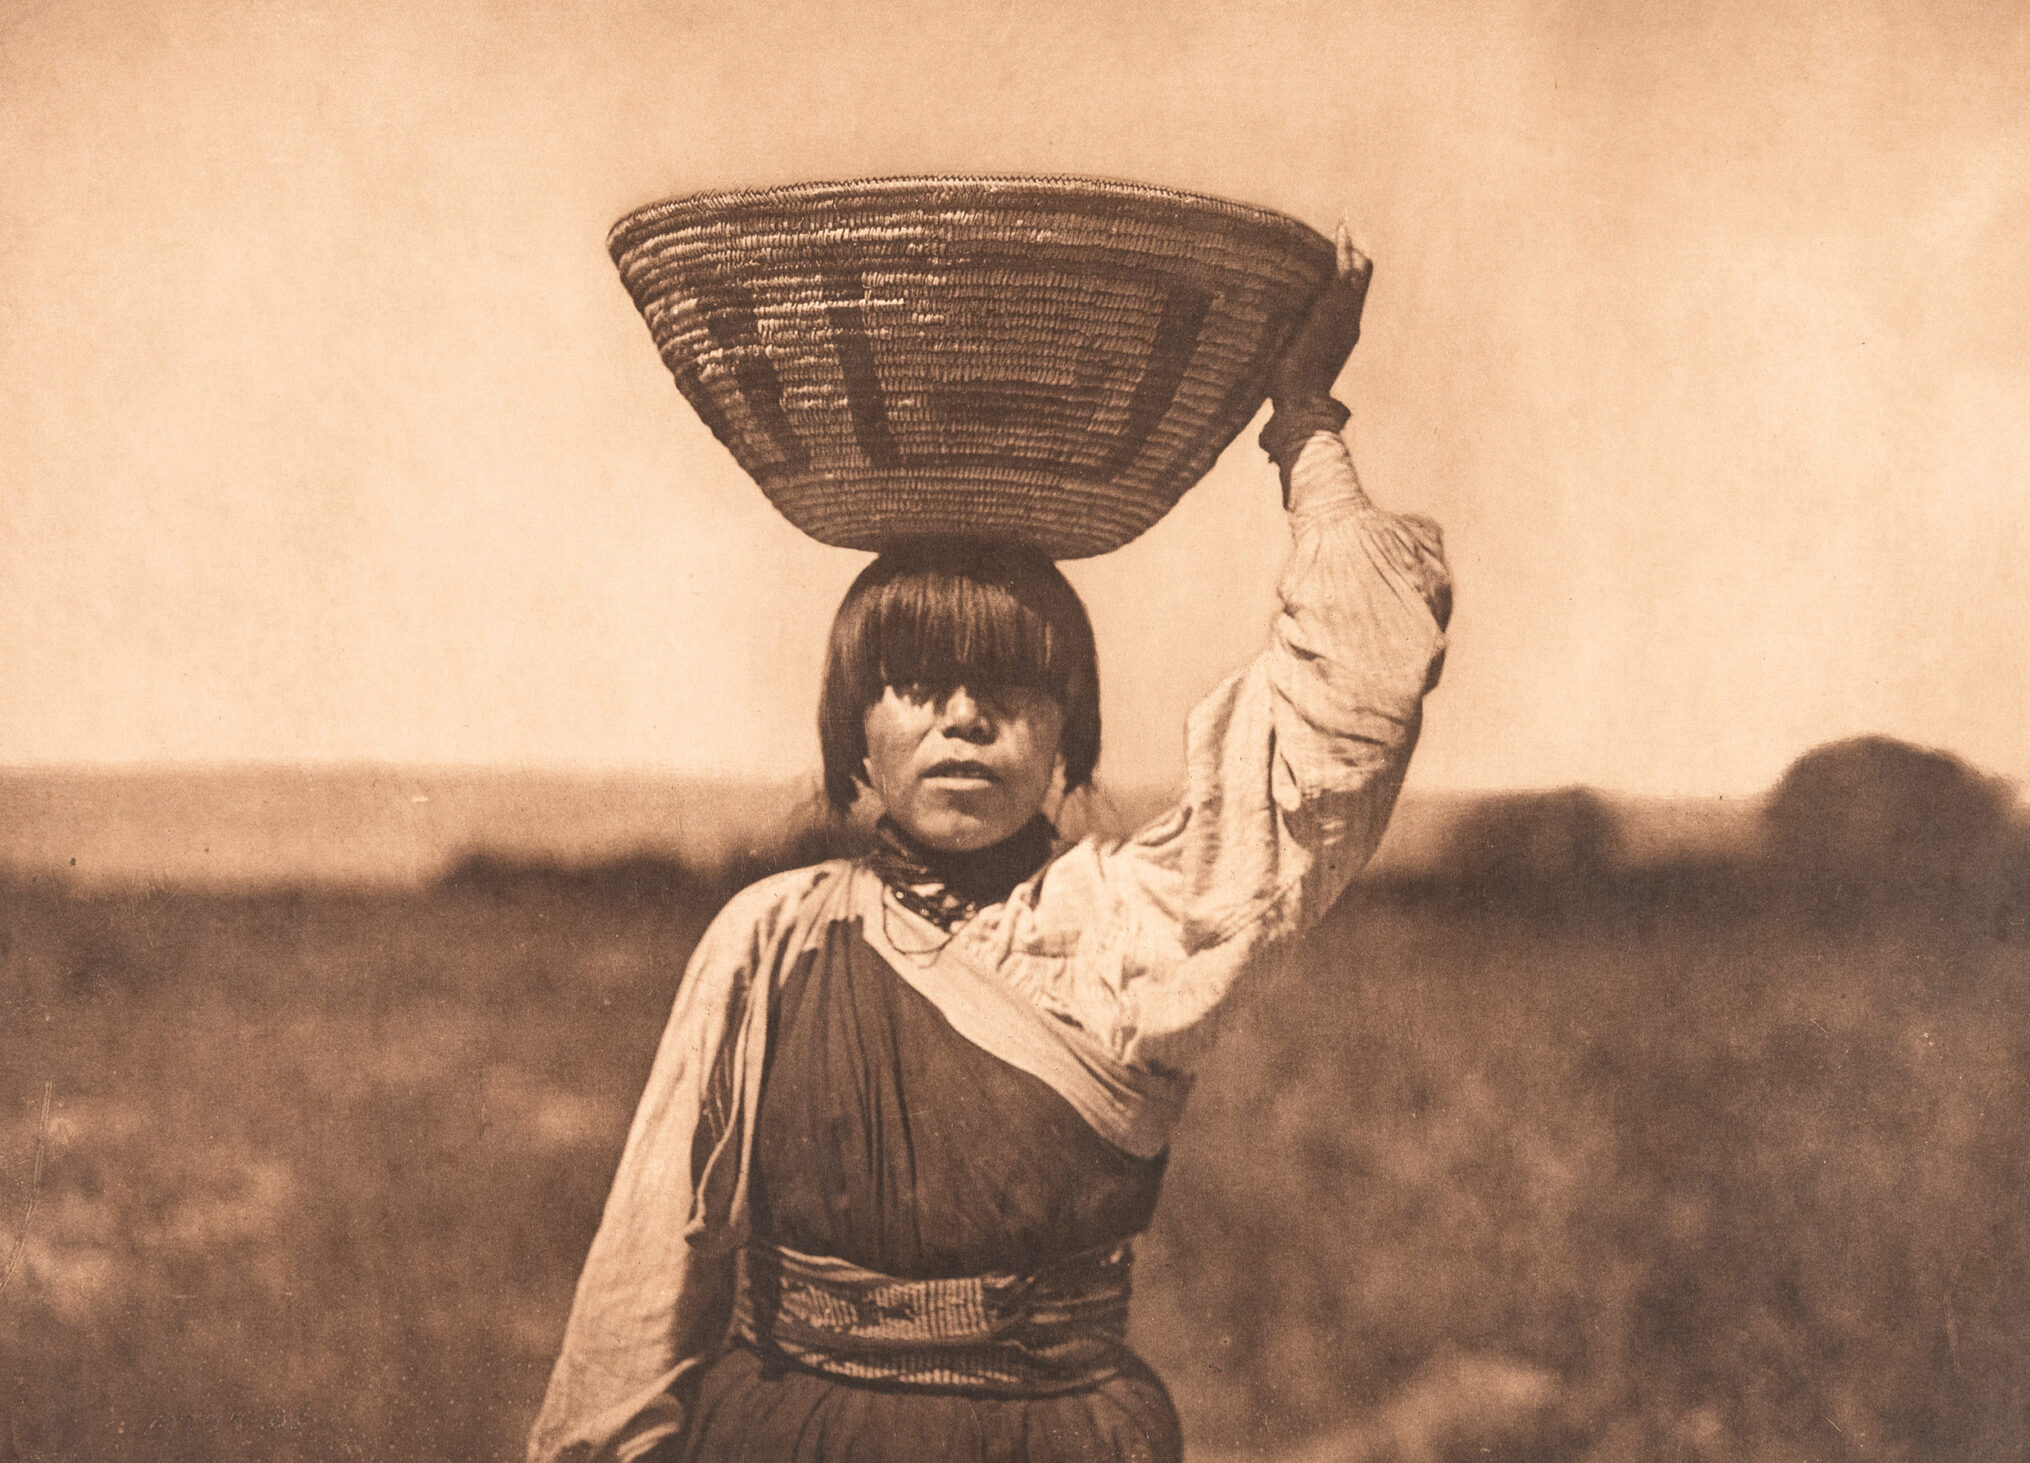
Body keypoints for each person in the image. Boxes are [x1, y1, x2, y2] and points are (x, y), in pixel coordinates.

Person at [529, 227, 1452, 1463]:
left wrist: (1302, 428)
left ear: (1068, 730)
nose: (964, 718)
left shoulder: (1130, 922)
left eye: (1010, 684)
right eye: (915, 681)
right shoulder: (774, 939)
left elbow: (1346, 711)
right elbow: (649, 1273)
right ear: (853, 731)